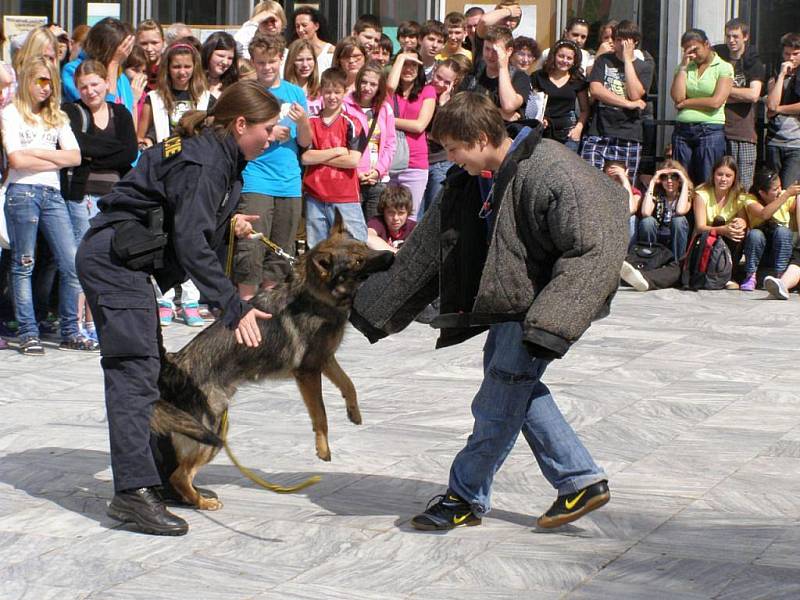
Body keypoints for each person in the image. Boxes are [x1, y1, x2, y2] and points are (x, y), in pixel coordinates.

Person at [350, 92, 626, 532]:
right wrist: (370, 302)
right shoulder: (468, 178)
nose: (450, 159)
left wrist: (553, 321)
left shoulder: (552, 169)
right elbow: (425, 250)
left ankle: (463, 497)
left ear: (480, 139)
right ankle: (580, 479)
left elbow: (597, 242)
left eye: (454, 149)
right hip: (510, 302)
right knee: (516, 390)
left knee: (497, 402)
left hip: (543, 305)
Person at [75, 80, 278, 536]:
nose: (272, 136)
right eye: (267, 128)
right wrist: (233, 307)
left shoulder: (215, 154)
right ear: (241, 123)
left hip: (124, 261)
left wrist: (228, 222)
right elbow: (189, 242)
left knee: (149, 372)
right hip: (114, 262)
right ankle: (133, 494)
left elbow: (183, 213)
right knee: (134, 375)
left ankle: (157, 478)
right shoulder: (206, 159)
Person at [2, 57, 95, 355]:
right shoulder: (11, 113)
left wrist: (36, 152)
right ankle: (28, 331)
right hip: (22, 192)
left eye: (50, 82)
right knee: (23, 263)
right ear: (27, 81)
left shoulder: (57, 118)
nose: (46, 88)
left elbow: (75, 157)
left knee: (71, 262)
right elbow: (16, 160)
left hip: (52, 193)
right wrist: (54, 155)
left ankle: (71, 330)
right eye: (40, 81)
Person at [137, 41, 214, 326]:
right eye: (176, 66)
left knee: (194, 237)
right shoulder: (154, 99)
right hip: (164, 178)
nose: (182, 72)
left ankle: (191, 297)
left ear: (195, 68)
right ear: (168, 68)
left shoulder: (207, 99)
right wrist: (147, 144)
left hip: (197, 179)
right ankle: (165, 296)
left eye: (187, 66)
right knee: (164, 236)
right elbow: (141, 136)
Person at [62, 60, 139, 341]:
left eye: (95, 84)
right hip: (81, 196)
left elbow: (128, 152)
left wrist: (92, 152)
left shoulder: (120, 113)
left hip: (113, 199)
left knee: (108, 258)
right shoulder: (71, 111)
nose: (90, 91)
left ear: (106, 83)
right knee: (81, 260)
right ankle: (78, 321)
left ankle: (100, 319)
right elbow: (74, 146)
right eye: (83, 86)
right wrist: (97, 151)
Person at [233, 34, 310, 299]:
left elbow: (306, 142)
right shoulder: (248, 91)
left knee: (281, 248)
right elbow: (236, 131)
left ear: (281, 59)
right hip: (256, 176)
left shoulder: (295, 92)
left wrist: (302, 123)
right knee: (251, 246)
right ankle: (244, 305)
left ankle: (268, 305)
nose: (267, 67)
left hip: (289, 180)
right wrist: (268, 132)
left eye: (272, 61)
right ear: (253, 62)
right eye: (261, 62)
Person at [582, 20, 653, 184]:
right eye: (618, 39)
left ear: (635, 42)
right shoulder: (603, 61)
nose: (621, 44)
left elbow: (635, 94)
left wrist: (628, 61)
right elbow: (596, 90)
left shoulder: (644, 66)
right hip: (599, 132)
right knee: (589, 182)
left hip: (628, 133)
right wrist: (627, 104)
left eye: (626, 40)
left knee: (623, 185)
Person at [302, 68, 365, 248]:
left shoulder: (352, 122)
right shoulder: (311, 122)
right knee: (318, 249)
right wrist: (337, 150)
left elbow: (353, 160)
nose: (332, 97)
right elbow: (305, 157)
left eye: (337, 92)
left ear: (344, 93)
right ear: (321, 92)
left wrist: (319, 156)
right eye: (328, 92)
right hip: (315, 195)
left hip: (345, 196)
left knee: (354, 248)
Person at [671, 29, 733, 186]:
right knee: (681, 178)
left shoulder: (723, 67)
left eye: (695, 49)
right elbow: (677, 97)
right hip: (683, 130)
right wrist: (684, 66)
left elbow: (716, 102)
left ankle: (703, 210)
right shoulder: (685, 66)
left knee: (707, 178)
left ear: (707, 44)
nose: (692, 54)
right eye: (687, 50)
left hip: (709, 130)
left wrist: (686, 103)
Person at [712, 19, 765, 192]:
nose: (731, 40)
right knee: (719, 183)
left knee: (743, 186)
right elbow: (709, 91)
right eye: (728, 36)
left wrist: (723, 91)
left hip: (744, 133)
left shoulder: (753, 63)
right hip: (718, 129)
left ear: (746, 37)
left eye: (736, 36)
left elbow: (753, 95)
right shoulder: (717, 58)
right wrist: (735, 94)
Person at [343, 61, 397, 220]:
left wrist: (379, 170)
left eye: (373, 84)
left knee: (374, 231)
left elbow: (390, 144)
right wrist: (358, 172)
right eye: (364, 82)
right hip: (352, 179)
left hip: (377, 180)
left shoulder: (385, 108)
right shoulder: (345, 106)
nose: (367, 87)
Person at [386, 50, 437, 216]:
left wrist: (388, 121)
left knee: (410, 216)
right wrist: (400, 58)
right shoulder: (390, 92)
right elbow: (389, 87)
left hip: (415, 163)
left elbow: (419, 126)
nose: (408, 69)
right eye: (404, 64)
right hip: (389, 161)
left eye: (413, 64)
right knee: (387, 214)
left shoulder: (428, 91)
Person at [692, 155, 748, 289]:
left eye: (728, 175)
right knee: (719, 221)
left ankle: (729, 274)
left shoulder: (738, 196)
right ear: (713, 175)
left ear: (734, 177)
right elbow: (700, 227)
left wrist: (741, 223)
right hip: (706, 240)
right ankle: (713, 272)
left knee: (738, 230)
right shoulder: (702, 194)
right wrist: (723, 229)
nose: (723, 179)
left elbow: (744, 220)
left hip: (729, 241)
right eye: (720, 174)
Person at [420, 58, 467, 216]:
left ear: (454, 83)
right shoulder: (423, 93)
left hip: (440, 161)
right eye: (438, 77)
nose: (440, 83)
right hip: (420, 160)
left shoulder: (455, 102)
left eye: (446, 82)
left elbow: (441, 134)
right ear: (433, 72)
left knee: (434, 212)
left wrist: (442, 106)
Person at [740, 169, 798, 291]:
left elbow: (796, 206)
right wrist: (786, 195)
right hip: (760, 251)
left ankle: (781, 276)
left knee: (783, 231)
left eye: (780, 187)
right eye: (775, 189)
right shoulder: (749, 199)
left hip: (781, 249)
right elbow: (763, 214)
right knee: (755, 234)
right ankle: (751, 276)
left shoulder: (784, 195)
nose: (779, 191)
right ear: (762, 192)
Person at [62, 18, 136, 114]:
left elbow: (127, 115)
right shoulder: (73, 70)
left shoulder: (121, 78)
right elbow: (104, 112)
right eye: (122, 48)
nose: (125, 54)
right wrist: (113, 64)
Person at [460, 26, 531, 124]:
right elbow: (460, 108)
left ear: (509, 51)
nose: (489, 55)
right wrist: (497, 112)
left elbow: (508, 105)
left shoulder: (520, 77)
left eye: (495, 51)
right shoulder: (474, 74)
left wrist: (502, 67)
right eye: (487, 49)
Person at [533, 39, 589, 152]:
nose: (564, 61)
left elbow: (585, 110)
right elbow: (533, 105)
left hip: (568, 132)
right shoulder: (538, 77)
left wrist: (578, 129)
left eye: (569, 58)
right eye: (561, 56)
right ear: (553, 56)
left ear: (574, 61)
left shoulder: (578, 80)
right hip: (543, 130)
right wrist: (539, 118)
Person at [638, 159, 692, 260]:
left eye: (674, 177)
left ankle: (677, 264)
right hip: (657, 235)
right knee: (647, 222)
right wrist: (653, 182)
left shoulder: (685, 194)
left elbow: (680, 211)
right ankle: (648, 259)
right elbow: (645, 212)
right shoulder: (657, 194)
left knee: (679, 220)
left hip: (675, 237)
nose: (669, 181)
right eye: (664, 177)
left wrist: (685, 182)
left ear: (679, 179)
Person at [765, 33, 800, 188]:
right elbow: (771, 105)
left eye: (796, 54)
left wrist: (779, 109)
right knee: (773, 189)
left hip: (796, 143)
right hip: (774, 141)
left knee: (789, 189)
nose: (791, 58)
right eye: (787, 54)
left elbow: (775, 108)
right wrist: (781, 75)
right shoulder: (774, 76)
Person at [366, 183, 416, 253]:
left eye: (401, 213)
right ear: (383, 211)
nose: (395, 218)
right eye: (391, 212)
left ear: (408, 212)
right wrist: (395, 252)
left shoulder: (413, 227)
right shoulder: (377, 222)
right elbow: (368, 237)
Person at [603, 159, 640, 245]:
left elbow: (631, 210)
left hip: (624, 226)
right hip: (606, 227)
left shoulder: (634, 192)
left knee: (632, 219)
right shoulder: (600, 191)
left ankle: (628, 255)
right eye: (609, 177)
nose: (613, 181)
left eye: (617, 177)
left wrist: (624, 179)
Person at [290, 6, 335, 75]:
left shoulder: (330, 52)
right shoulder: (293, 50)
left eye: (304, 25)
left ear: (316, 26)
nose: (300, 30)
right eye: (297, 26)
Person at [284, 39, 322, 115]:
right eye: (300, 60)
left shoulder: (322, 92)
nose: (305, 64)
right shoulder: (283, 91)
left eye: (309, 59)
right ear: (291, 62)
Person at [201, 32, 239, 98]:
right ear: (208, 53)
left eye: (230, 58)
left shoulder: (233, 86)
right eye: (221, 56)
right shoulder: (194, 80)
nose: (225, 62)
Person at [135, 19, 164, 93]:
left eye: (154, 43)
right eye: (144, 43)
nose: (149, 49)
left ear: (163, 42)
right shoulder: (131, 69)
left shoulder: (170, 68)